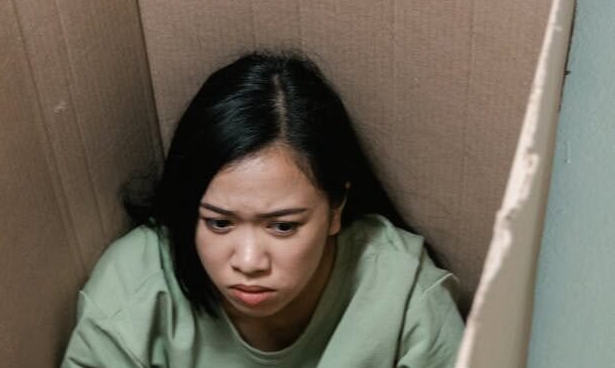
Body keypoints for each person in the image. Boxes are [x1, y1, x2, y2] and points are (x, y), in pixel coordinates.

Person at [62, 50, 463, 367]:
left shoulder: (402, 293)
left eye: (283, 227)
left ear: (336, 208)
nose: (250, 261)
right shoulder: (134, 291)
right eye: (219, 223)